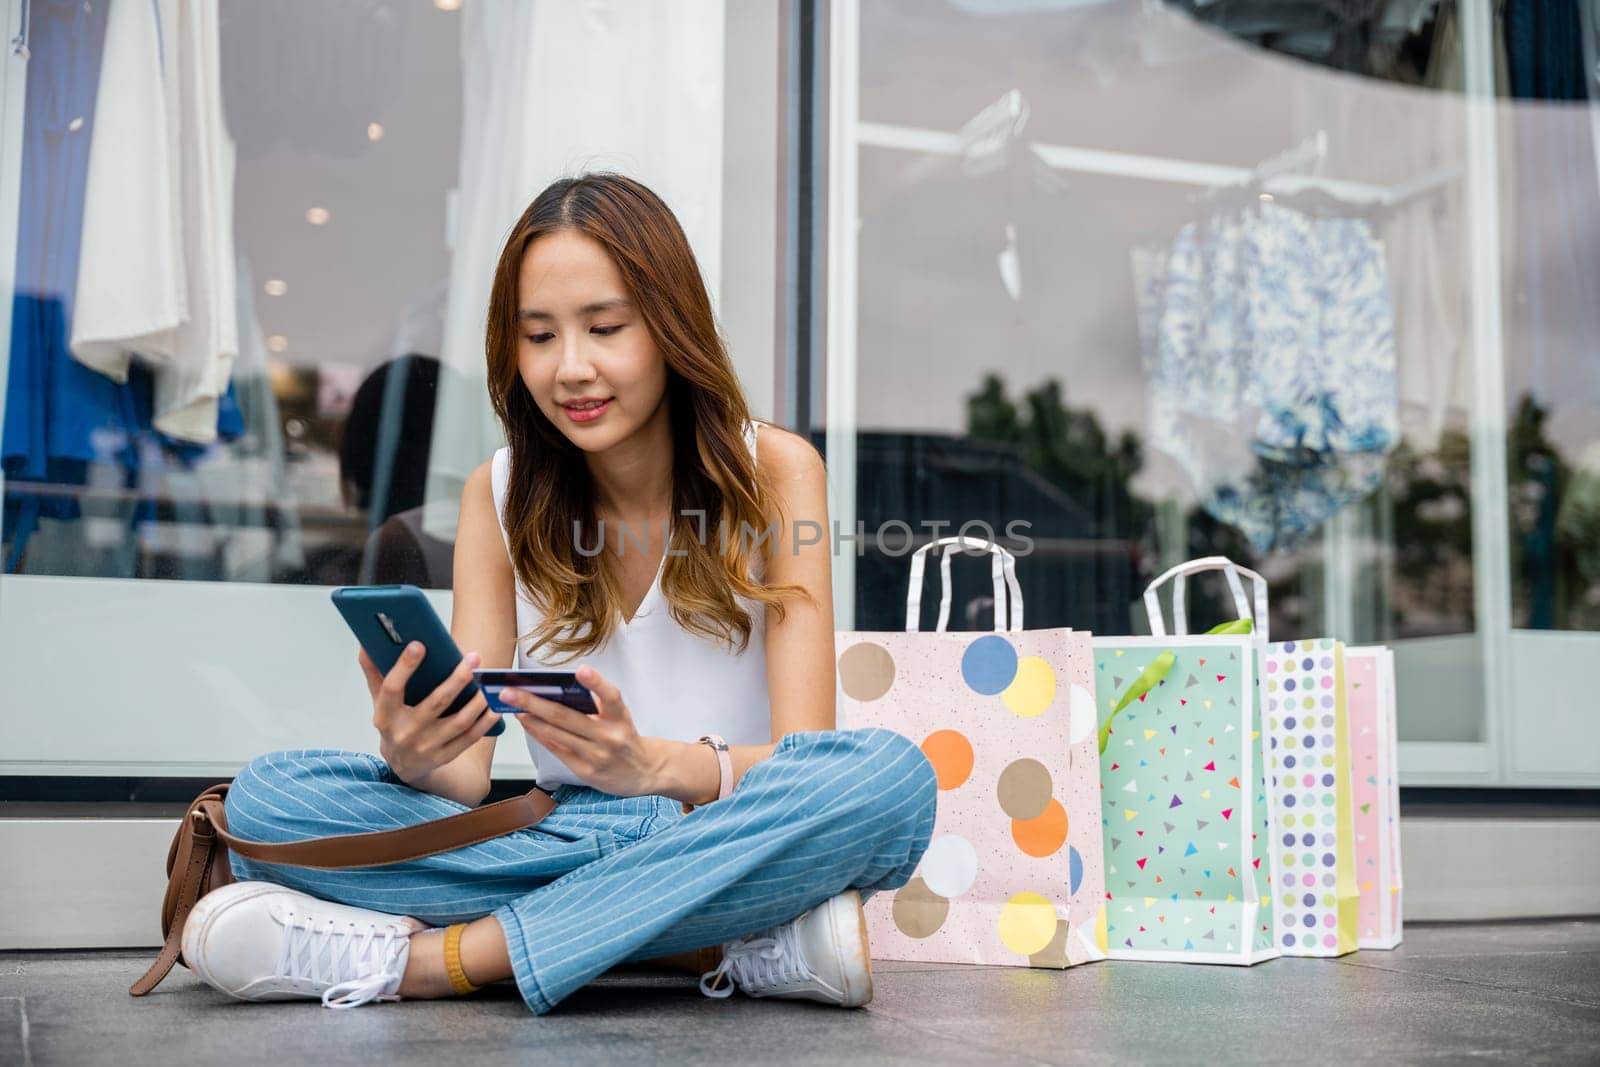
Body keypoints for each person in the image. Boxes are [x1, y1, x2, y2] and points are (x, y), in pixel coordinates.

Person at [176, 173, 938, 1014]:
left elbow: (806, 757)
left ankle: (423, 961)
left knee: (889, 780)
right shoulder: (496, 494)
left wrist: (653, 766)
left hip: (721, 823)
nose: (571, 368)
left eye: (605, 328)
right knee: (268, 800)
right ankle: (722, 942)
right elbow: (464, 782)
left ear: (669, 327)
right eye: (539, 336)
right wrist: (415, 751)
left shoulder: (777, 472)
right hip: (572, 832)